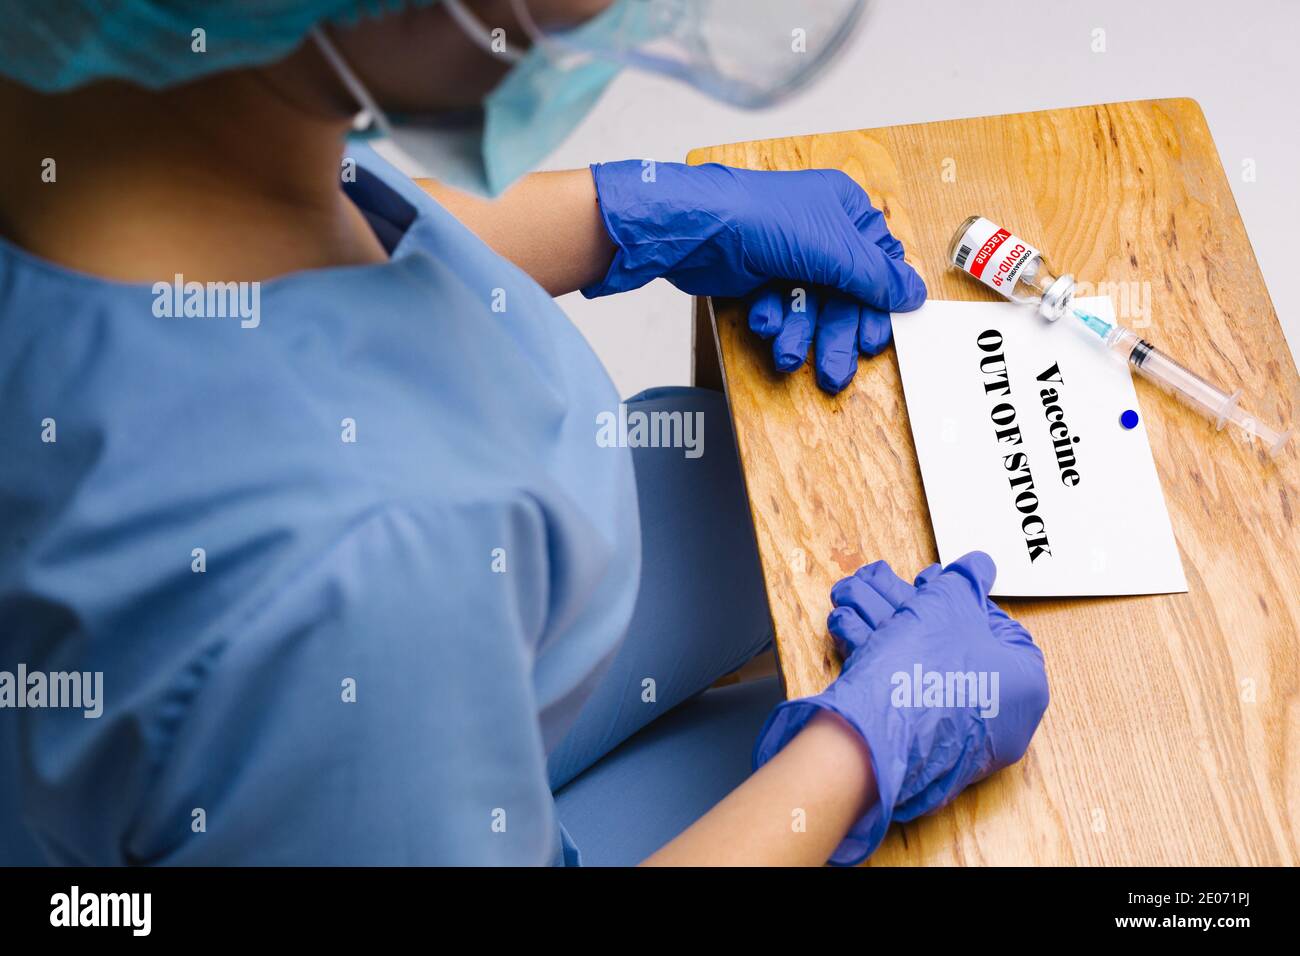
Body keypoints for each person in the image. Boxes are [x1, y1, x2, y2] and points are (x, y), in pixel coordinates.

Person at [0, 0, 1048, 866]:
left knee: (749, 482)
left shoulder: (99, 96)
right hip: (352, 740)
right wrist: (861, 754)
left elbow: (261, 196)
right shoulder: (366, 565)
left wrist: (628, 216)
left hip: (310, 743)